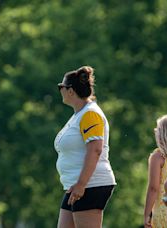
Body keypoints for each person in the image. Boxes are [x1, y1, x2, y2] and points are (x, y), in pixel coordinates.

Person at [54, 66, 116, 228]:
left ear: (70, 91)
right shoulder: (79, 114)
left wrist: (81, 184)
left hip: (90, 184)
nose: (59, 90)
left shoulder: (90, 113)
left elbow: (95, 149)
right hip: (77, 185)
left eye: (61, 87)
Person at [144, 115, 167, 228]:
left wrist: (147, 214)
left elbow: (153, 188)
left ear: (162, 134)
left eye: (157, 129)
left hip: (163, 211)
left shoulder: (158, 156)